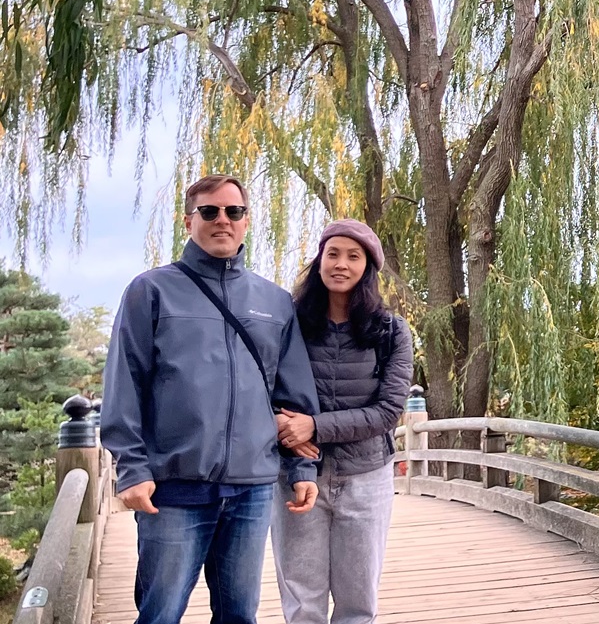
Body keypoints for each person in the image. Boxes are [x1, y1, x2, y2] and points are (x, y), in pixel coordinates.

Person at [100, 174, 321, 624]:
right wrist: (132, 469)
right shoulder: (151, 291)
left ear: (246, 221)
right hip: (174, 487)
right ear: (189, 220)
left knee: (239, 614)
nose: (223, 220)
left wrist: (301, 466)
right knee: (160, 613)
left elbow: (290, 397)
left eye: (233, 211)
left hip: (251, 489)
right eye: (210, 211)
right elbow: (125, 384)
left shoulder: (274, 302)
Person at [271, 219, 414, 624]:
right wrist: (282, 426)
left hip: (365, 476)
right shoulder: (290, 325)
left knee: (357, 602)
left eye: (354, 256)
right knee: (302, 600)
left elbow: (389, 412)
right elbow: (262, 387)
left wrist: (312, 427)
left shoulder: (390, 332)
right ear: (319, 262)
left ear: (367, 268)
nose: (341, 264)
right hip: (297, 475)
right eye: (332, 253)